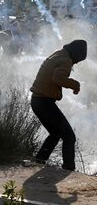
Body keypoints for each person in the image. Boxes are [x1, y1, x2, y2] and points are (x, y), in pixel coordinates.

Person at [29, 40, 87, 171]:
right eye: (78, 59)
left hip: (37, 101)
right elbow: (57, 78)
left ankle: (39, 160)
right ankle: (69, 169)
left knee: (55, 133)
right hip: (44, 102)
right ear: (76, 53)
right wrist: (74, 84)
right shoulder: (66, 60)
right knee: (69, 137)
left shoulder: (59, 54)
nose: (76, 62)